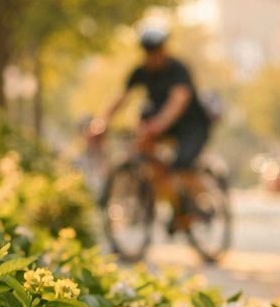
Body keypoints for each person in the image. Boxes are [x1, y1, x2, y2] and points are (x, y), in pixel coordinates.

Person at [89, 24, 214, 231]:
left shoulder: (178, 69)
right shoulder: (141, 72)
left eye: (156, 50)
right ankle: (166, 199)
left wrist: (158, 125)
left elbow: (178, 100)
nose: (152, 55)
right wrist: (101, 122)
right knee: (144, 151)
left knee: (182, 164)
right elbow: (121, 98)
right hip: (161, 125)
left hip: (190, 125)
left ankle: (197, 204)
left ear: (164, 49)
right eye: (148, 51)